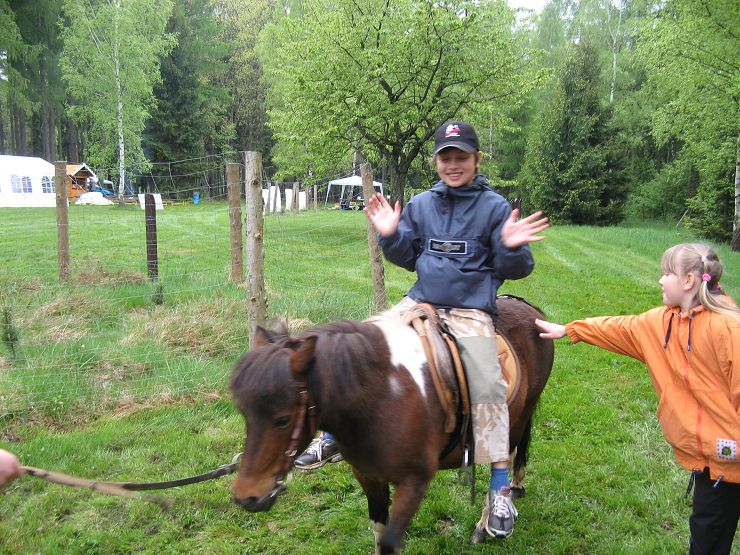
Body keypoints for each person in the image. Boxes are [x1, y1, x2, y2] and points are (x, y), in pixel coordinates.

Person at [535, 243, 739, 555]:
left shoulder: (728, 328)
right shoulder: (660, 323)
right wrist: (570, 329)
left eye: (667, 273)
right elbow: (619, 328)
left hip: (730, 457)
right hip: (714, 465)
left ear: (688, 281)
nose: (660, 280)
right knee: (708, 537)